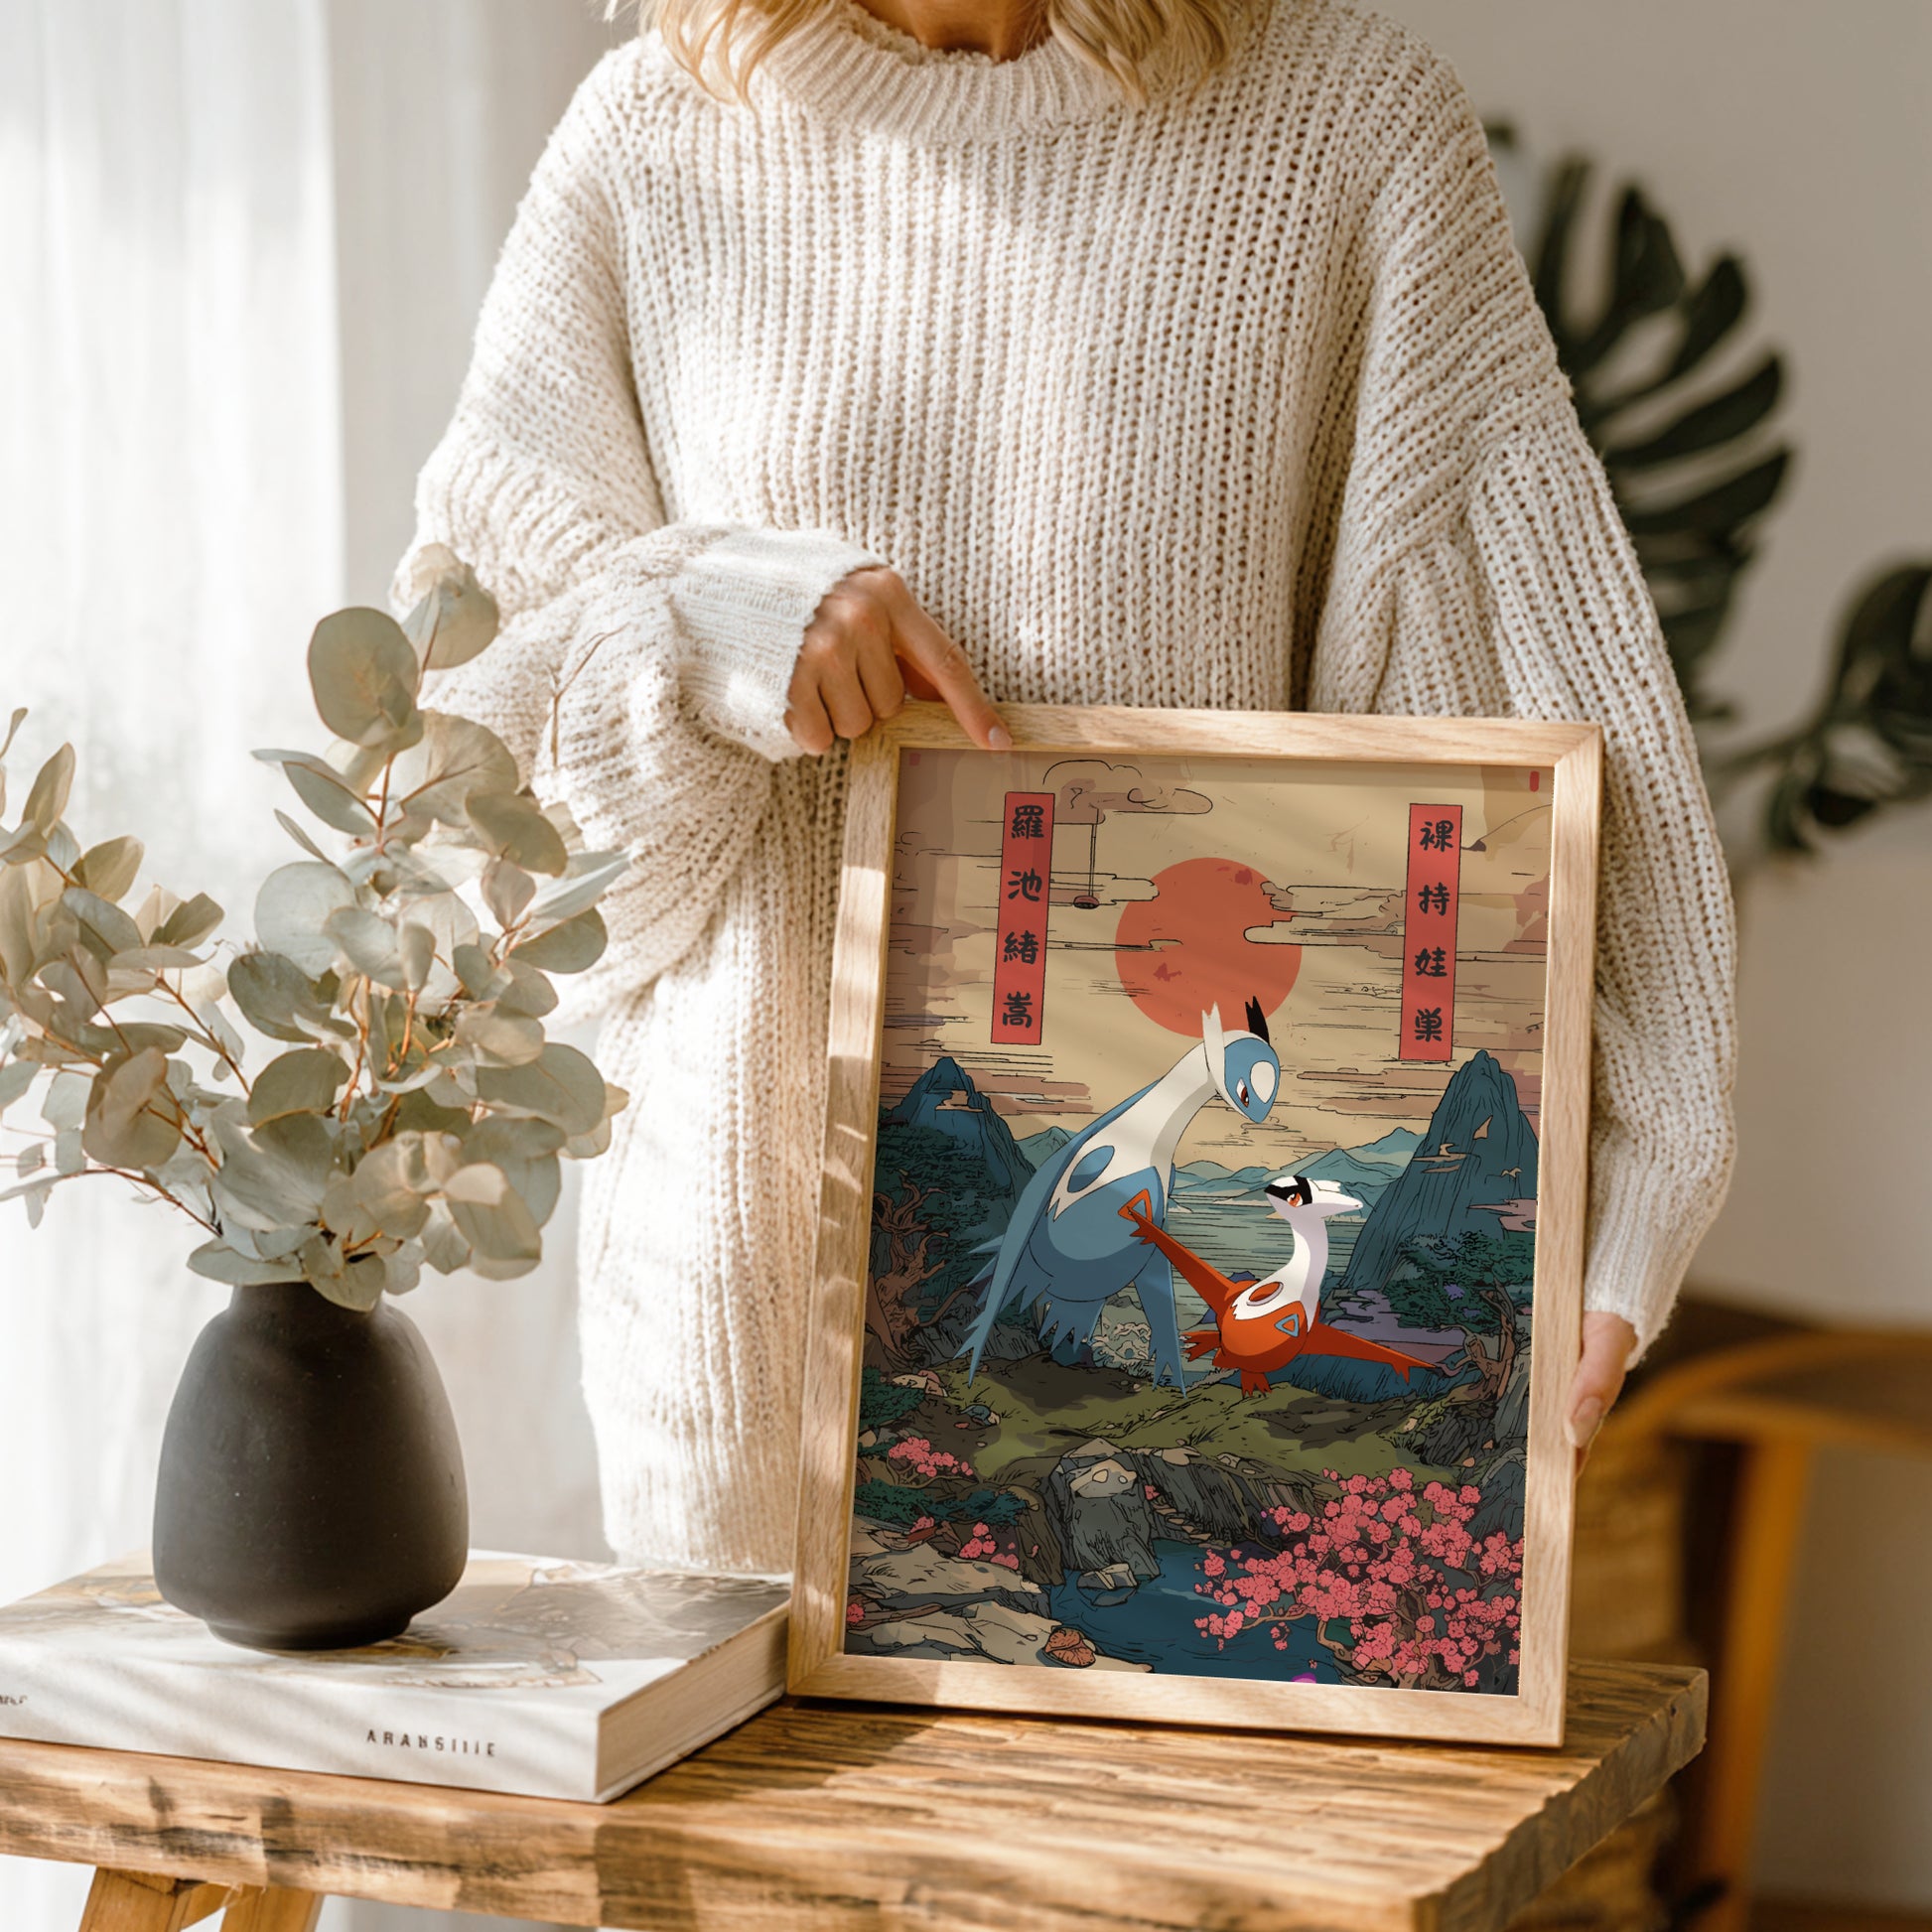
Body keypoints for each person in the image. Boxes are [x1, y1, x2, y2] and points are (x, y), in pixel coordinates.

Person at [394, 0, 1735, 1576]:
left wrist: (1628, 1173)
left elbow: (1523, 696)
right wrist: (707, 620)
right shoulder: (650, 140)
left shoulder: (1343, 127)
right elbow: (466, 818)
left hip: (1203, 1405)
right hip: (737, 1340)